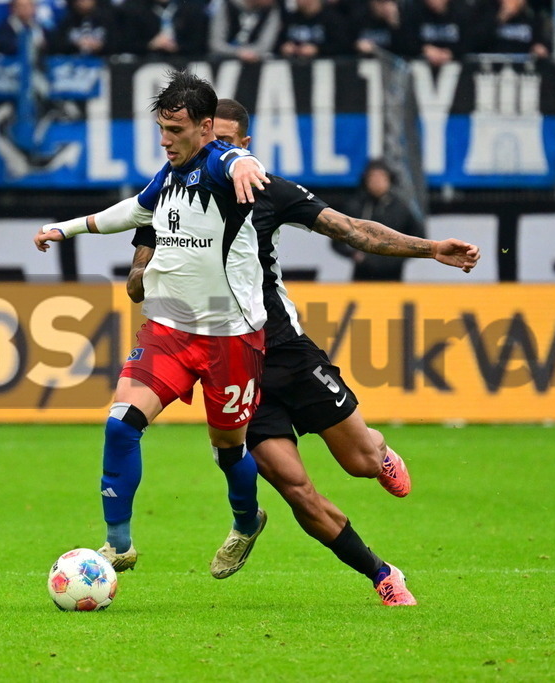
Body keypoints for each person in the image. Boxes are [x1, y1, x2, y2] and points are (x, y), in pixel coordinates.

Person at [127, 99, 480, 606]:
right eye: (209, 142)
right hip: (232, 371)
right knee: (296, 490)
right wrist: (154, 269)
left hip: (288, 355)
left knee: (358, 461)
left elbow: (352, 229)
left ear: (243, 146)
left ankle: (377, 451)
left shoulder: (268, 191)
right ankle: (381, 574)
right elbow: (135, 286)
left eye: (226, 143)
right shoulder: (167, 196)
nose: (215, 152)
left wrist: (429, 249)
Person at [34, 72, 273, 580]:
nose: (165, 140)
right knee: (121, 425)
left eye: (176, 130)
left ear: (206, 128)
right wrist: (67, 228)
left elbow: (235, 159)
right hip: (168, 330)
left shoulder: (219, 164)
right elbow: (132, 212)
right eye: (161, 129)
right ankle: (118, 545)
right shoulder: (170, 174)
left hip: (231, 337)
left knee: (229, 451)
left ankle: (247, 521)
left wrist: (246, 160)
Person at [331, 158, 426, 281]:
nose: (377, 181)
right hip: (363, 274)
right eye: (373, 177)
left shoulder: (401, 207)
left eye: (381, 177)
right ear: (366, 180)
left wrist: (400, 255)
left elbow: (420, 238)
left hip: (393, 276)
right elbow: (336, 238)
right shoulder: (356, 206)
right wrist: (354, 254)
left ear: (389, 179)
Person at [208, 0, 281, 62]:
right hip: (223, 61)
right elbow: (216, 44)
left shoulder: (271, 11)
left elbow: (266, 45)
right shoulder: (227, 6)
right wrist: (239, 53)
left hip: (256, 61)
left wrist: (251, 53)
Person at [278, 0, 352, 59]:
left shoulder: (332, 18)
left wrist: (318, 50)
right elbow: (278, 41)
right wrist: (284, 47)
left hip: (324, 67)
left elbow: (342, 45)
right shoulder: (290, 19)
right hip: (293, 65)